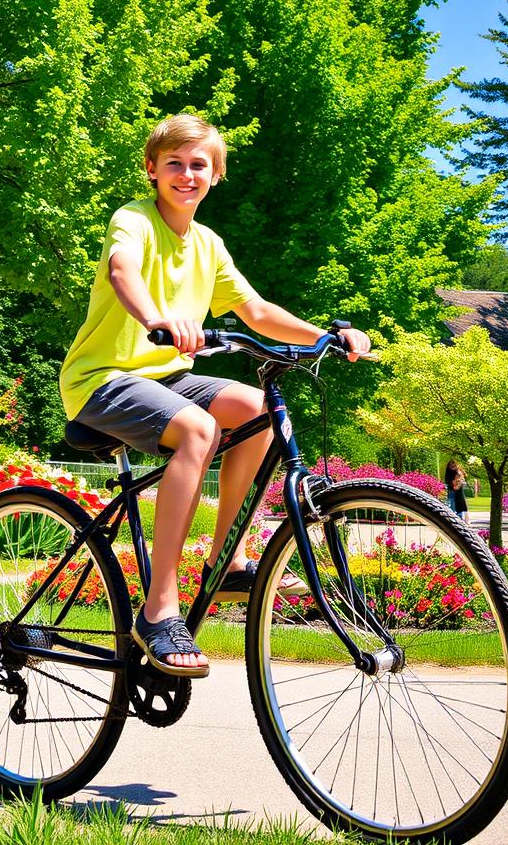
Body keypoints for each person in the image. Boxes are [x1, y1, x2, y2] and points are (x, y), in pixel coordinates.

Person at [60, 115, 371, 679]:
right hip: (101, 380)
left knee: (256, 410)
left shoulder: (208, 244)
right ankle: (159, 610)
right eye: (173, 163)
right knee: (200, 430)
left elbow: (256, 312)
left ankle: (226, 559)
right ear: (152, 170)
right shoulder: (134, 218)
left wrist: (325, 335)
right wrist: (156, 316)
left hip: (165, 379)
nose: (185, 174)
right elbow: (122, 269)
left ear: (216, 175)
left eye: (198, 164)